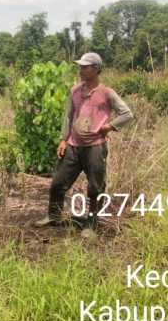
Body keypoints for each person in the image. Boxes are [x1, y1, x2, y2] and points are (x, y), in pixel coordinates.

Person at [34, 52, 134, 239]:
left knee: (95, 187)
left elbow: (127, 114)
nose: (81, 70)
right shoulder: (75, 91)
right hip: (73, 145)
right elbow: (68, 116)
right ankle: (53, 216)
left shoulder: (107, 93)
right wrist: (64, 140)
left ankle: (91, 223)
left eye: (85, 67)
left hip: (95, 146)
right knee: (57, 183)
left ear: (96, 69)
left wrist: (109, 127)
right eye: (80, 66)